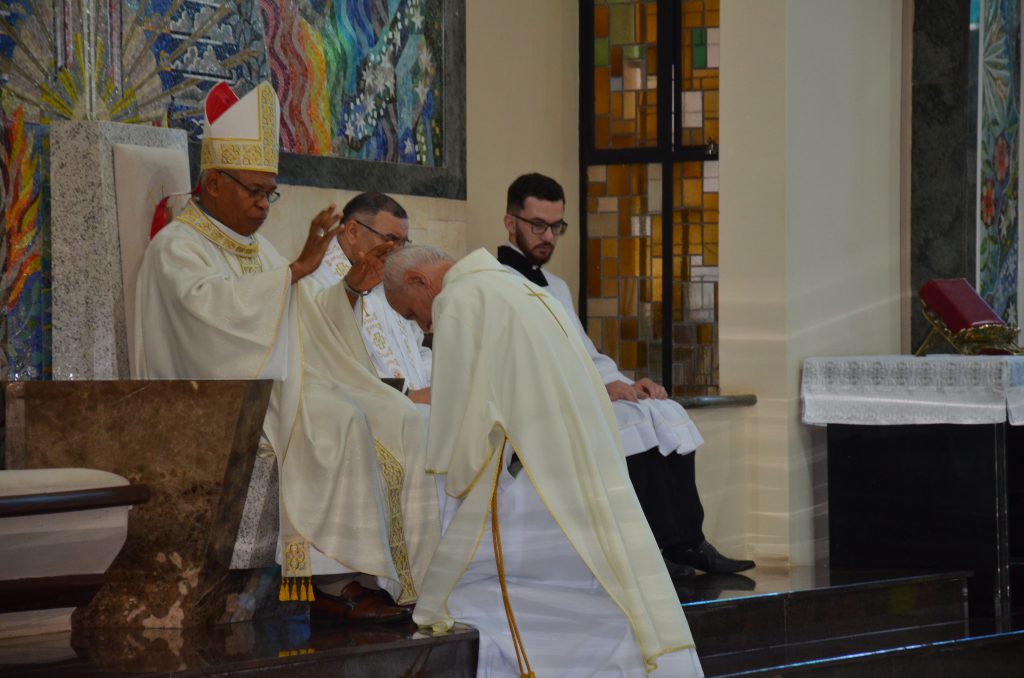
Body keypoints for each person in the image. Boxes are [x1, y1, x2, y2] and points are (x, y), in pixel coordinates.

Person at [132, 81, 438, 623]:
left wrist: (346, 291)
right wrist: (295, 272)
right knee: (339, 420)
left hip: (279, 380)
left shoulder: (259, 249)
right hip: (222, 396)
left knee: (398, 414)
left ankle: (393, 575)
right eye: (253, 190)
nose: (262, 204)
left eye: (269, 193)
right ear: (213, 183)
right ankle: (329, 578)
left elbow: (305, 324)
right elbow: (208, 325)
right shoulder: (177, 247)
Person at [383, 246, 703, 677]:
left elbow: (459, 412)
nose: (423, 326)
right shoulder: (522, 287)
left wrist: (451, 472)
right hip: (578, 455)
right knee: (596, 577)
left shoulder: (457, 299)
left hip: (534, 466)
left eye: (410, 313)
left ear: (421, 281)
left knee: (493, 581)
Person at [496, 173, 753, 577]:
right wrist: (600, 391)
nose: (548, 236)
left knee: (661, 410)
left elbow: (586, 353)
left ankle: (687, 541)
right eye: (538, 225)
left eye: (556, 226)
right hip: (543, 409)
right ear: (511, 222)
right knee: (630, 421)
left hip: (583, 396)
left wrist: (628, 384)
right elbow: (518, 365)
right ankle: (652, 549)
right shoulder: (495, 287)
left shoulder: (557, 287)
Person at [307, 192, 431, 405]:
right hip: (362, 415)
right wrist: (407, 396)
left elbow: (417, 348)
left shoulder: (390, 281)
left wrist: (433, 385)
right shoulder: (316, 284)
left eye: (404, 243)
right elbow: (327, 365)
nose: (398, 251)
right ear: (353, 232)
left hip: (413, 413)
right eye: (391, 239)